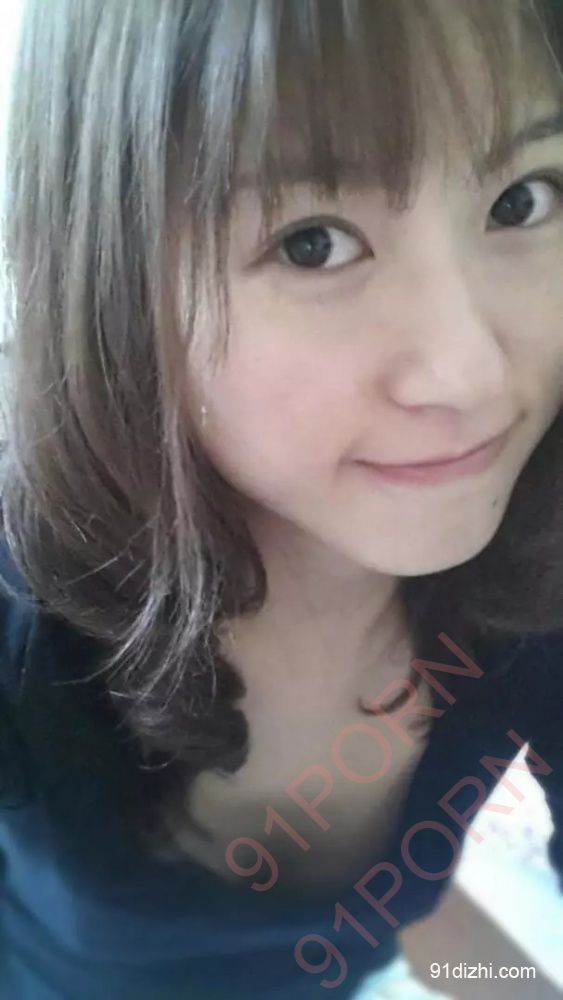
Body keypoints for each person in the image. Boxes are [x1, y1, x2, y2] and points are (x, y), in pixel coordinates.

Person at [0, 0, 563, 997]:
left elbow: (391, 926)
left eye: (520, 201)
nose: (468, 374)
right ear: (111, 286)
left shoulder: (533, 561)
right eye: (312, 243)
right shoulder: (25, 608)